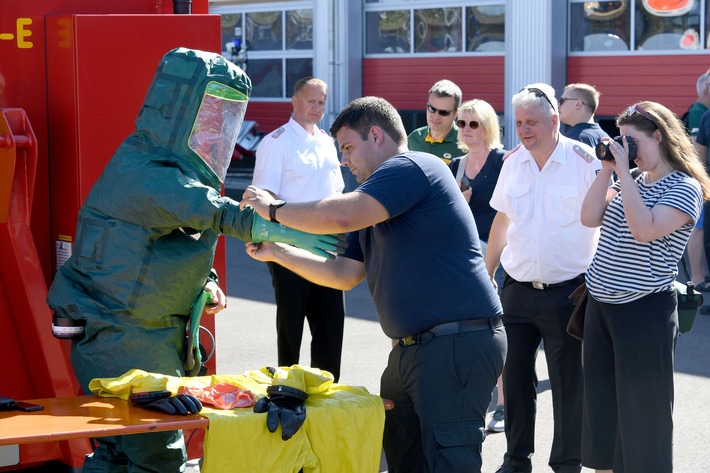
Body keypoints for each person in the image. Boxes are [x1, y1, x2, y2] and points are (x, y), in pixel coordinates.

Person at [45, 48, 343, 473]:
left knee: (119, 454)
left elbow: (163, 248)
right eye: (208, 117)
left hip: (143, 345)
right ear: (177, 110)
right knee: (155, 457)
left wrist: (207, 284)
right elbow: (212, 212)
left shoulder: (165, 169)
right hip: (122, 346)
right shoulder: (144, 171)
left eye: (223, 119)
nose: (213, 134)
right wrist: (291, 227)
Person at [242, 96, 507, 473]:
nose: (344, 160)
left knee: (451, 462)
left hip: (455, 344)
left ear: (377, 135)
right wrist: (278, 253)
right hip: (413, 352)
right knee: (402, 457)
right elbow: (344, 274)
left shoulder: (413, 165)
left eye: (348, 148)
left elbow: (342, 213)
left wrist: (274, 209)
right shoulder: (375, 196)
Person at [580, 101, 709, 473]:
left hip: (644, 310)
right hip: (601, 306)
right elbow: (589, 218)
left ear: (659, 136)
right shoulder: (629, 181)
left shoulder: (686, 187)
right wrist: (608, 170)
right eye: (621, 141)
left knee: (643, 416)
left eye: (632, 142)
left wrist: (622, 168)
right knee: (602, 413)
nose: (627, 151)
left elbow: (645, 230)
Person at [486, 83, 601, 473]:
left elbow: (607, 220)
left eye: (531, 122)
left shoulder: (584, 161)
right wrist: (486, 273)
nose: (523, 129)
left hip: (569, 293)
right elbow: (502, 220)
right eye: (518, 122)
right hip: (517, 289)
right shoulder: (512, 162)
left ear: (555, 120)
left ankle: (567, 462)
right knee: (515, 379)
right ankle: (517, 458)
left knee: (569, 383)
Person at [251, 77, 346, 381]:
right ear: (294, 101)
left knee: (330, 324)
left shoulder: (327, 143)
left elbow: (338, 194)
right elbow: (262, 197)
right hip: (289, 244)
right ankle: (287, 389)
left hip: (327, 245)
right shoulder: (276, 142)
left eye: (322, 102)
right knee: (291, 325)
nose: (317, 107)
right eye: (311, 100)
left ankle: (328, 389)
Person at [447, 98, 507, 433]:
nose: (467, 130)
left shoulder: (503, 160)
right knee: (467, 332)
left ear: (488, 126)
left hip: (497, 256)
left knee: (498, 331)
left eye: (474, 124)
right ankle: (472, 402)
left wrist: (492, 265)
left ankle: (504, 406)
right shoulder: (456, 164)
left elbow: (508, 213)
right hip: (465, 257)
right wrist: (460, 204)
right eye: (461, 124)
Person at [686, 72, 710, 290]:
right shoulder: (699, 113)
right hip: (702, 182)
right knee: (699, 229)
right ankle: (698, 277)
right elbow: (696, 153)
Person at [407, 79, 463, 163]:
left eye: (444, 112)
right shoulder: (414, 138)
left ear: (456, 114)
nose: (436, 116)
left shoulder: (464, 144)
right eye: (431, 109)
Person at [558, 83, 609, 148]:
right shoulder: (606, 139)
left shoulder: (571, 140)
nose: (558, 105)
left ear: (578, 104)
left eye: (562, 100)